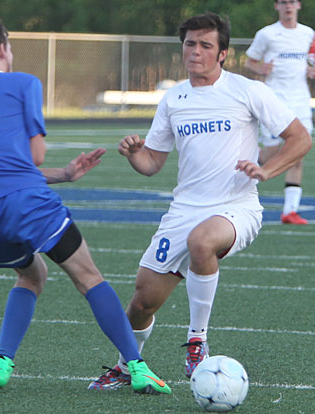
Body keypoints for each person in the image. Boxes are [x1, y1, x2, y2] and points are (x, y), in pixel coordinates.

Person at [0, 8, 171, 395]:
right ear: (1, 48)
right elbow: (35, 156)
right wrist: (50, 171)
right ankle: (137, 366)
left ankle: (1, 363)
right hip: (25, 202)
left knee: (31, 275)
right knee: (88, 275)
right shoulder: (23, 83)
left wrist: (64, 176)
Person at [88, 12, 312, 390]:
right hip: (184, 209)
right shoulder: (174, 98)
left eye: (205, 45)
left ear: (223, 53)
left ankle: (197, 341)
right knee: (141, 303)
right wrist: (133, 153)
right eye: (190, 43)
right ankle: (127, 366)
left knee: (201, 241)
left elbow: (300, 138)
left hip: (237, 207)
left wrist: (266, 171)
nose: (195, 51)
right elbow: (153, 163)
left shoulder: (248, 91)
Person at [245, 0, 315, 225]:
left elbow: (312, 60)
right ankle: (247, 157)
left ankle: (290, 211)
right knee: (271, 154)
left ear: (299, 6)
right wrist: (260, 69)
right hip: (274, 101)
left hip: (301, 101)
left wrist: (312, 70)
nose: (288, 6)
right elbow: (250, 62)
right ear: (277, 6)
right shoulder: (266, 34)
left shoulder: (308, 33)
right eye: (283, 2)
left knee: (298, 151)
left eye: (292, 2)